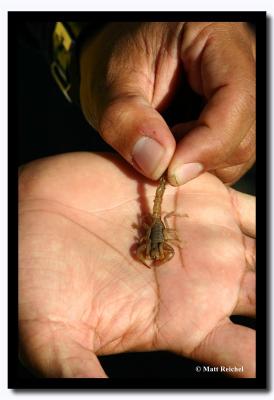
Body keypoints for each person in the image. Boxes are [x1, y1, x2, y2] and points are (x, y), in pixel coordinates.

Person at [18, 21, 256, 378]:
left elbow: (157, 239)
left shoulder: (155, 236)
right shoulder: (156, 237)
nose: (155, 250)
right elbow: (157, 241)